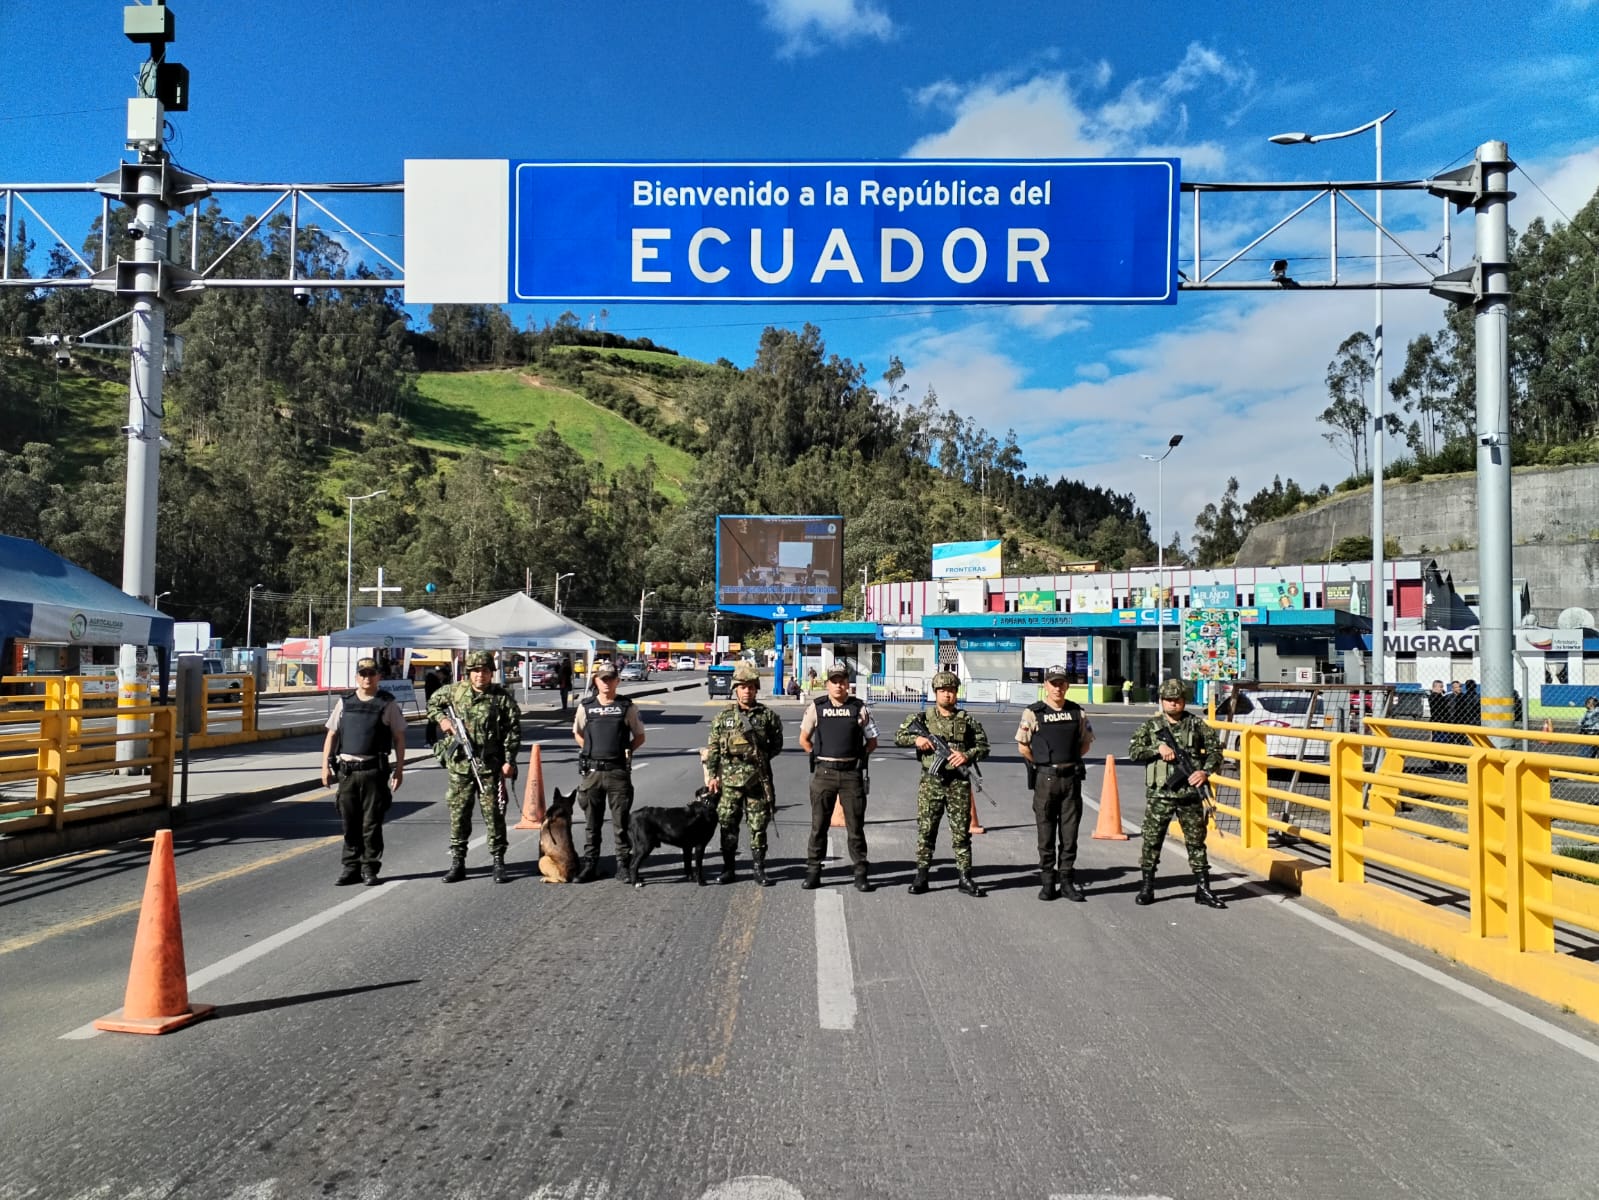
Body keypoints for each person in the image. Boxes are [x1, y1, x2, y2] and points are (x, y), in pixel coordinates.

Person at [1127, 678, 1226, 909]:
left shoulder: (1197, 725)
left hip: (1190, 794)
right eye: (1169, 700)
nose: (1173, 704)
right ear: (1162, 701)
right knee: (1152, 841)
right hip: (1160, 795)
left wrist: (1204, 772)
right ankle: (1147, 886)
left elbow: (1215, 752)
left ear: (1184, 701)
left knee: (1196, 842)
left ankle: (1203, 889)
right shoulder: (1151, 727)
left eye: (1177, 700)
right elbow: (1133, 751)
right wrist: (1156, 749)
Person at [428, 649, 521, 884]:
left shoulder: (501, 697)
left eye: (486, 670)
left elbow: (513, 731)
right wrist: (443, 720)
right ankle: (458, 863)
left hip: (489, 767)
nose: (481, 675)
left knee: (494, 815)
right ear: (469, 673)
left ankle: (498, 862)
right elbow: (432, 704)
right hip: (460, 767)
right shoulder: (455, 691)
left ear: (492, 672)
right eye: (476, 671)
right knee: (459, 816)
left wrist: (509, 760)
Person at [895, 670, 990, 897]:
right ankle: (922, 875)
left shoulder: (967, 720)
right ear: (936, 693)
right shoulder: (922, 719)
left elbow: (984, 747)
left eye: (951, 691)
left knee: (960, 833)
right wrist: (917, 740)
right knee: (927, 830)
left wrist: (966, 756)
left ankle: (965, 876)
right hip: (932, 781)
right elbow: (899, 736)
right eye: (943, 691)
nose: (947, 695)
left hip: (958, 783)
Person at [321, 656, 407, 886]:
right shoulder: (345, 702)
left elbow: (399, 738)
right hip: (347, 772)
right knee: (349, 822)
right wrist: (324, 767)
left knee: (371, 824)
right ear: (357, 677)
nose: (367, 678)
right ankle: (351, 867)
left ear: (379, 676)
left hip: (373, 772)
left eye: (371, 673)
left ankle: (370, 867)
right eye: (363, 674)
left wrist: (399, 770)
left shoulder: (387, 704)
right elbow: (332, 734)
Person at [797, 661, 879, 892]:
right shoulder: (817, 707)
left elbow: (872, 741)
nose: (839, 685)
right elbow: (804, 739)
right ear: (827, 684)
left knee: (855, 827)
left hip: (851, 775)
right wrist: (817, 756)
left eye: (842, 681)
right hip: (824, 773)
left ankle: (861, 873)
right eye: (834, 681)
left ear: (848, 684)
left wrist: (858, 758)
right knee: (819, 825)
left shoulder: (859, 708)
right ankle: (813, 871)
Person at [1016, 664, 1094, 902]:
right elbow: (1023, 746)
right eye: (1053, 683)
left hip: (1071, 779)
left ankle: (1068, 882)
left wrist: (1067, 761)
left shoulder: (1077, 712)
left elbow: (1085, 743)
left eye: (1061, 683)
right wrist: (1043, 765)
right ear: (1045, 686)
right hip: (1046, 780)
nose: (1057, 688)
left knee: (1069, 835)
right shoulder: (1033, 712)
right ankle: (1048, 882)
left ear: (1067, 686)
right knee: (1046, 832)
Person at [705, 661, 785, 885]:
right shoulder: (723, 717)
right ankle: (728, 868)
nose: (747, 691)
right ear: (735, 689)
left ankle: (759, 869)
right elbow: (713, 748)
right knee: (728, 824)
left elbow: (776, 744)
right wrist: (712, 776)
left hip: (757, 780)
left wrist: (760, 758)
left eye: (751, 686)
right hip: (729, 782)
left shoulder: (767, 716)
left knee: (758, 825)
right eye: (742, 687)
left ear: (757, 688)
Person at [571, 660, 647, 881]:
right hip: (592, 773)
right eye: (602, 679)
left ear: (617, 681)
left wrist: (625, 751)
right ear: (596, 680)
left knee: (620, 823)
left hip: (617, 774)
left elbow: (640, 736)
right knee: (591, 824)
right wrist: (589, 750)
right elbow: (577, 732)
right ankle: (590, 864)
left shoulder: (627, 707)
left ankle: (623, 865)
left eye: (611, 679)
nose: (606, 683)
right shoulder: (586, 706)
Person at [422, 667, 443, 744]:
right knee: (432, 724)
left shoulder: (430, 680)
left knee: (432, 723)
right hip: (433, 704)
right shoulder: (434, 682)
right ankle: (430, 740)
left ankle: (432, 740)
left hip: (430, 703)